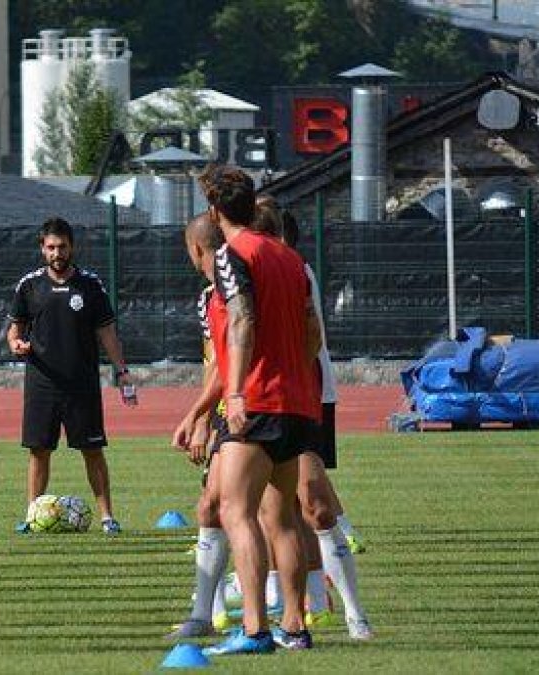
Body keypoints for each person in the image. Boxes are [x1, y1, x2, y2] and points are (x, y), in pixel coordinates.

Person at [192, 165, 315, 655]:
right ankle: (296, 627)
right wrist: (295, 373)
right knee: (281, 518)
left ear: (214, 210)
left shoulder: (232, 253)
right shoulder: (290, 257)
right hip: (297, 401)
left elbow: (242, 318)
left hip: (258, 400)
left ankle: (255, 629)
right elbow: (312, 331)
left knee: (234, 511)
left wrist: (238, 391)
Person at [256, 197, 371, 636]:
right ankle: (299, 602)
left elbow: (309, 338)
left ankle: (354, 615)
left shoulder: (293, 269)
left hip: (303, 398)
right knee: (275, 509)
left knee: (314, 505)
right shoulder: (255, 269)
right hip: (268, 400)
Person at [8, 218, 135, 535]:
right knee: (39, 451)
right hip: (41, 383)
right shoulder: (29, 285)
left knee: (92, 450)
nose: (57, 253)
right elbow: (14, 329)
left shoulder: (90, 285)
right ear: (42, 249)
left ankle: (107, 517)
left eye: (62, 246)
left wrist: (122, 371)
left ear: (72, 247)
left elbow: (107, 333)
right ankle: (32, 515)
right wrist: (16, 344)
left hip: (82, 383)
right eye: (51, 247)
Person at [167, 213, 231, 640]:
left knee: (256, 512)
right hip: (237, 408)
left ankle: (290, 609)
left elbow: (221, 364)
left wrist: (199, 418)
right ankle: (208, 612)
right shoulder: (212, 294)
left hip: (245, 410)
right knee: (214, 506)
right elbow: (214, 359)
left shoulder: (227, 290)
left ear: (194, 249)